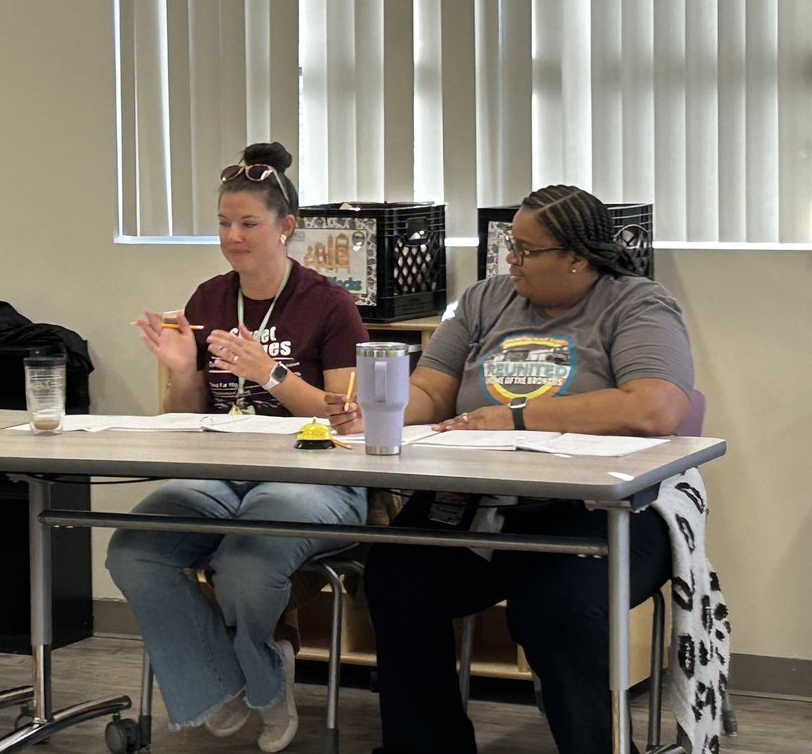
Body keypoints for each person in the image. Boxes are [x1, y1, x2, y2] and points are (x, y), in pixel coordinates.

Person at [330, 185, 702, 754]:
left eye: (526, 251)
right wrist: (381, 412)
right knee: (399, 575)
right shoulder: (486, 300)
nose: (512, 261)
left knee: (555, 607)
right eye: (512, 248)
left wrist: (517, 418)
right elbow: (433, 388)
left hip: (604, 513)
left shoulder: (637, 304)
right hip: (485, 505)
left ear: (576, 257)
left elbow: (654, 407)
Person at [106, 142, 369, 752]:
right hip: (222, 472)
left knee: (247, 563)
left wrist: (270, 374)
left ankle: (261, 671)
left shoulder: (330, 305)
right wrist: (181, 372)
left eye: (249, 224)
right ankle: (224, 682)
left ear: (286, 227)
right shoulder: (208, 299)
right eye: (224, 223)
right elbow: (183, 421)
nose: (233, 237)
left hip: (315, 475)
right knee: (135, 551)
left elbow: (346, 420)